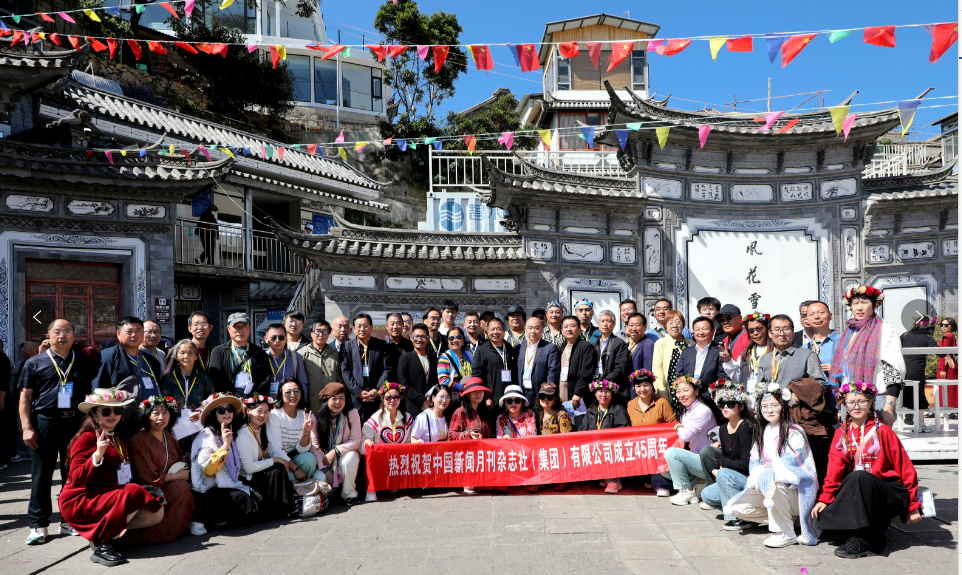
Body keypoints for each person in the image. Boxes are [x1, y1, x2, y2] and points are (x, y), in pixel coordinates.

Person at [812, 380, 922, 558]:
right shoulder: (841, 433)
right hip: (857, 492)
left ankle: (869, 539)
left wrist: (913, 505)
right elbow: (834, 470)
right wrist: (825, 498)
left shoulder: (884, 431)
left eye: (862, 401)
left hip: (884, 493)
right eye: (851, 402)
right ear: (844, 405)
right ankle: (861, 532)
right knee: (824, 514)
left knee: (860, 477)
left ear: (871, 402)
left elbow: (905, 468)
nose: (856, 406)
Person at [59, 387, 164, 566]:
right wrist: (96, 456)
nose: (112, 415)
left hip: (107, 494)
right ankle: (104, 545)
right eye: (106, 411)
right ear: (94, 413)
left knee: (155, 513)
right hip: (81, 498)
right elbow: (75, 480)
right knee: (133, 492)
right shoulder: (86, 437)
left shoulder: (116, 435)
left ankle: (105, 534)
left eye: (117, 410)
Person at [19, 319, 96, 544]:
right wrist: (26, 427)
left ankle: (69, 520)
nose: (62, 336)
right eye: (58, 332)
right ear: (48, 336)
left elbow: (92, 393)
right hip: (45, 423)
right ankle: (38, 524)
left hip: (75, 423)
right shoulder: (34, 362)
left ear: (74, 336)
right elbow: (25, 398)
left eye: (68, 332)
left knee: (72, 474)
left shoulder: (84, 362)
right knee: (41, 475)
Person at [726, 383, 819, 548]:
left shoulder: (794, 432)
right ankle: (785, 519)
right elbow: (754, 462)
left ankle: (786, 532)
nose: (769, 410)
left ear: (783, 406)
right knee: (737, 508)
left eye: (774, 405)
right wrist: (761, 473)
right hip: (769, 486)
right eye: (765, 406)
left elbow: (790, 468)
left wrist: (766, 470)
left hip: (794, 490)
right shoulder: (761, 431)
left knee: (773, 479)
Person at [828, 286, 905, 427]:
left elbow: (893, 368)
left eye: (864, 303)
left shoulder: (885, 329)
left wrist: (889, 405)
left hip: (877, 398)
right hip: (849, 399)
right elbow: (843, 372)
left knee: (876, 439)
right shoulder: (849, 332)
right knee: (851, 439)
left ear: (875, 305)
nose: (859, 308)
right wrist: (840, 407)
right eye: (855, 303)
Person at [126, 395, 195, 543]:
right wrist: (175, 477)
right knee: (181, 486)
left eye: (165, 413)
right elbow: (148, 475)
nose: (161, 417)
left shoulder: (168, 436)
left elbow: (178, 459)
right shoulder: (138, 440)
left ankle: (182, 525)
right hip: (150, 488)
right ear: (147, 415)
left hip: (169, 482)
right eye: (156, 413)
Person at [189, 393, 257, 533]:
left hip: (223, 486)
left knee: (252, 496)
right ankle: (203, 518)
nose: (227, 413)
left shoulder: (227, 431)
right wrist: (225, 446)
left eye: (230, 409)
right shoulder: (206, 436)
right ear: (213, 414)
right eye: (221, 410)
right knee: (242, 498)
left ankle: (220, 519)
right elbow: (208, 470)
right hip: (207, 490)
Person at [698, 380, 755, 530]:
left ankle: (736, 518)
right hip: (731, 476)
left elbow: (747, 464)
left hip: (748, 479)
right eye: (722, 404)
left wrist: (723, 466)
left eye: (730, 404)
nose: (725, 407)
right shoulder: (723, 428)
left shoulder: (746, 428)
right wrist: (715, 468)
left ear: (741, 406)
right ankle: (744, 513)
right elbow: (724, 455)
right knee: (707, 494)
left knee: (723, 474)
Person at [235, 394, 295, 520]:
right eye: (259, 411)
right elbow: (248, 468)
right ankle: (279, 508)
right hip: (248, 477)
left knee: (278, 468)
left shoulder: (262, 429)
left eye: (266, 412)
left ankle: (283, 507)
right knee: (277, 468)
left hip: (259, 471)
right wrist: (275, 459)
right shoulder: (242, 435)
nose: (263, 415)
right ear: (248, 411)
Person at [661, 376, 715, 504]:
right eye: (678, 391)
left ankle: (686, 491)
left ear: (696, 391)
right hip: (695, 457)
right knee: (663, 469)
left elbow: (686, 435)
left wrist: (678, 426)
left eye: (686, 390)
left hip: (708, 461)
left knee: (671, 453)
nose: (682, 395)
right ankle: (697, 486)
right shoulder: (685, 411)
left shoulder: (702, 410)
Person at [625, 369, 676, 496]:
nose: (642, 389)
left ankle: (662, 485)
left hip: (657, 446)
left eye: (646, 385)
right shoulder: (630, 405)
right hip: (638, 447)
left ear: (652, 385)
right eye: (638, 386)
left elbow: (673, 424)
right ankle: (646, 478)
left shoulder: (661, 403)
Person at [361, 382, 413, 502]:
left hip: (400, 460)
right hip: (381, 460)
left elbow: (410, 440)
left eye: (396, 397)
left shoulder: (408, 418)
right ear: (383, 399)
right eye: (388, 397)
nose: (392, 400)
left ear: (400, 398)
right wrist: (366, 442)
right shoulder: (374, 419)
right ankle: (372, 489)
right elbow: (362, 446)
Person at [312, 382, 362, 507]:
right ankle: (332, 493)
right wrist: (326, 470)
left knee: (351, 458)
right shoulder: (316, 417)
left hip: (344, 454)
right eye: (334, 398)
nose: (338, 402)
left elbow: (356, 440)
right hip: (325, 459)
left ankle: (349, 494)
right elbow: (315, 446)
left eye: (341, 398)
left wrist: (335, 451)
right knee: (320, 478)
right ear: (326, 400)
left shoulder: (352, 413)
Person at [159, 339, 215, 451]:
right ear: (176, 357)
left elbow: (212, 398)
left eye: (190, 353)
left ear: (196, 356)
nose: (186, 356)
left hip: (199, 427)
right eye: (182, 353)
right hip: (175, 428)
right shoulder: (168, 379)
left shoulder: (204, 377)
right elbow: (164, 403)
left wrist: (202, 411)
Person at [94, 317, 164, 407]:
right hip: (121, 412)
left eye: (138, 331)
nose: (134, 335)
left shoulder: (152, 360)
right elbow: (98, 387)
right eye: (129, 331)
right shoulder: (108, 356)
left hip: (150, 412)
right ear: (118, 334)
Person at [579, 380, 629, 493]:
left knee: (611, 450)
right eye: (600, 391)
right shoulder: (591, 410)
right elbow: (583, 428)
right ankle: (604, 476)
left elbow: (623, 431)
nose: (603, 395)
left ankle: (615, 481)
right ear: (595, 393)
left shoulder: (618, 410)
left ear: (612, 393)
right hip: (594, 446)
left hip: (611, 446)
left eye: (607, 391)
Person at [267, 378, 321, 483]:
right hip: (278, 461)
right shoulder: (274, 415)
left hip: (294, 457)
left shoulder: (304, 416)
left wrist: (306, 433)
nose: (293, 395)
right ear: (280, 395)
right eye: (288, 393)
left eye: (296, 391)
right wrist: (296, 470)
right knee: (290, 477)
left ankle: (302, 487)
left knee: (310, 459)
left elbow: (302, 450)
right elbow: (275, 450)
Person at [448, 377, 493, 494]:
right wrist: (468, 435)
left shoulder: (484, 412)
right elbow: (451, 436)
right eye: (474, 391)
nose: (478, 394)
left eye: (481, 391)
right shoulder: (460, 412)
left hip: (483, 461)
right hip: (467, 462)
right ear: (467, 394)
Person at [208, 313, 271, 397]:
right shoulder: (218, 352)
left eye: (244, 326)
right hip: (228, 401)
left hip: (253, 401)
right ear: (228, 328)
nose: (240, 330)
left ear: (250, 328)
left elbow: (265, 378)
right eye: (236, 327)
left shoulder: (259, 352)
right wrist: (235, 397)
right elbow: (216, 379)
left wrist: (252, 398)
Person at [341, 314, 390, 420]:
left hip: (376, 398)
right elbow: (345, 371)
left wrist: (378, 390)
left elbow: (387, 369)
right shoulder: (347, 346)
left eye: (365, 326)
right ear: (354, 328)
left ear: (371, 327)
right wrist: (358, 391)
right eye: (359, 326)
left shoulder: (381, 345)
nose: (362, 329)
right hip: (355, 399)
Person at [721, 313, 773, 402]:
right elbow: (738, 378)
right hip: (748, 398)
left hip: (768, 400)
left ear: (768, 329)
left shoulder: (775, 352)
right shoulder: (746, 353)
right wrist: (728, 361)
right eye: (751, 330)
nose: (755, 333)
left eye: (759, 328)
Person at [900, 315, 939, 430]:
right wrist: (948, 356)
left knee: (907, 393)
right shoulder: (927, 339)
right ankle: (920, 425)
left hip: (903, 370)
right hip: (917, 371)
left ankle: (909, 415)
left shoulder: (905, 335)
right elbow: (940, 352)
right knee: (920, 397)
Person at [471, 317, 517, 408]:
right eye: (492, 329)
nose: (495, 332)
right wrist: (486, 397)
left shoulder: (510, 348)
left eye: (499, 329)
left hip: (510, 398)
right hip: (492, 400)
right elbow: (477, 376)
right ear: (487, 332)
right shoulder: (482, 351)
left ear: (504, 331)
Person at [299, 320, 343, 413]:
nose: (321, 335)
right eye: (317, 331)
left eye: (325, 331)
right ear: (311, 333)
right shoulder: (302, 353)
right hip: (310, 401)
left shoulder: (335, 354)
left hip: (331, 400)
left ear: (329, 333)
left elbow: (339, 378)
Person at [515, 317, 560, 406]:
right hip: (522, 393)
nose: (533, 331)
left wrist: (547, 392)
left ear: (542, 329)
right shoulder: (519, 348)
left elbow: (553, 372)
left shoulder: (550, 348)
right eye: (530, 328)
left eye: (536, 328)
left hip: (541, 393)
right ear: (525, 329)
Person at [396, 323, 438, 417]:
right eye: (416, 336)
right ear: (411, 338)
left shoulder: (433, 359)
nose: (419, 339)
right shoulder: (405, 359)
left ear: (428, 339)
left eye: (422, 336)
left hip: (432, 405)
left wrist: (431, 399)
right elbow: (404, 385)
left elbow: (436, 382)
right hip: (412, 407)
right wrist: (422, 400)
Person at [652, 311, 693, 403]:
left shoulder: (691, 343)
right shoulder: (660, 344)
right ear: (665, 327)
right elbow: (657, 371)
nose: (674, 325)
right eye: (670, 323)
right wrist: (663, 396)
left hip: (690, 392)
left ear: (683, 325)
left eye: (678, 322)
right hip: (670, 392)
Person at [562, 316, 599, 409]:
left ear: (579, 329)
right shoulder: (562, 346)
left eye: (572, 326)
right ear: (562, 330)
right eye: (565, 327)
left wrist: (578, 393)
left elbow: (586, 372)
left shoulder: (586, 346)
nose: (569, 329)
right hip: (562, 394)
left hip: (578, 397)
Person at [263, 324, 309, 398]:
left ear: (286, 338)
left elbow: (302, 383)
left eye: (281, 337)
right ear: (266, 339)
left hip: (290, 401)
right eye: (273, 338)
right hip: (267, 402)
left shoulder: (296, 357)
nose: (277, 340)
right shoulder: (261, 357)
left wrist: (304, 401)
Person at [596, 310, 631, 405]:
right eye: (602, 321)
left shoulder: (620, 344)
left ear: (614, 324)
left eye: (608, 321)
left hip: (613, 390)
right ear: (598, 324)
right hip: (596, 389)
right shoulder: (594, 344)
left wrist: (604, 382)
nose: (605, 324)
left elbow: (620, 369)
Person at [679, 316, 724, 387]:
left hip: (710, 393)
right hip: (688, 393)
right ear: (693, 332)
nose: (701, 332)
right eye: (697, 329)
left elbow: (722, 379)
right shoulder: (686, 352)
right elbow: (680, 376)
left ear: (713, 331)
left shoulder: (720, 351)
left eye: (705, 329)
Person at [437, 326, 473, 409]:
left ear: (463, 340)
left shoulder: (469, 355)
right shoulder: (444, 357)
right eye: (451, 338)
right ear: (448, 341)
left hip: (470, 397)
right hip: (454, 400)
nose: (455, 340)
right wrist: (461, 387)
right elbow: (443, 380)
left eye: (458, 337)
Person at [801, 302, 839, 379]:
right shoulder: (803, 349)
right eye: (811, 314)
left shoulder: (844, 341)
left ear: (830, 316)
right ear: (807, 319)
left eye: (821, 312)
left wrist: (838, 370)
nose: (816, 317)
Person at [625, 313, 655, 377]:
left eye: (637, 325)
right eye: (631, 325)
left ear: (645, 327)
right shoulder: (627, 344)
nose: (634, 328)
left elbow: (647, 372)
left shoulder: (648, 344)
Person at [938, 317, 958, 410]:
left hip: (947, 366)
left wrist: (942, 369)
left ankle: (942, 408)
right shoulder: (951, 336)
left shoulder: (947, 337)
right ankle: (953, 409)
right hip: (951, 365)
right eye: (942, 325)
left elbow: (943, 354)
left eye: (946, 325)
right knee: (952, 389)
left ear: (952, 326)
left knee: (944, 388)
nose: (943, 326)